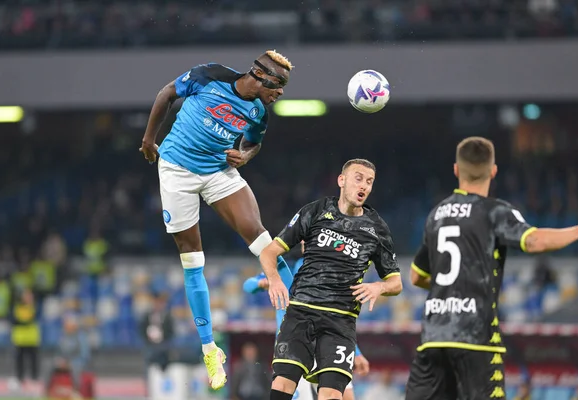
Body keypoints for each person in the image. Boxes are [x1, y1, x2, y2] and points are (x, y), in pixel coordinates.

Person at [139, 50, 295, 389]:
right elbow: (167, 93)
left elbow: (252, 144)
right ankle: (210, 349)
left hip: (217, 171)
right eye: (279, 86)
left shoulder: (259, 111)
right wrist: (149, 139)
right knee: (193, 259)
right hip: (177, 170)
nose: (280, 94)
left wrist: (244, 155)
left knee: (265, 243)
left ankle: (291, 342)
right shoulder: (210, 75)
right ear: (263, 77)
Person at [405, 136, 578, 400]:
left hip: (434, 337)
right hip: (475, 338)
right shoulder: (494, 211)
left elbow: (416, 276)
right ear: (493, 171)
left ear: (456, 170)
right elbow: (534, 240)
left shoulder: (436, 214)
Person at [259, 159, 403, 400]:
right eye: (358, 178)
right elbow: (269, 252)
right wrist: (274, 280)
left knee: (332, 395)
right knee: (283, 384)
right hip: (301, 313)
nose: (364, 186)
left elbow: (396, 282)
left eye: (369, 182)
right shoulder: (314, 211)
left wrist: (379, 286)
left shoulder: (377, 229)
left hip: (340, 321)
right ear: (341, 180)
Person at [243, 241, 371, 400]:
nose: (304, 242)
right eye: (303, 239)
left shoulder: (331, 272)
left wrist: (356, 352)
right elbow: (248, 285)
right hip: (295, 343)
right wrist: (262, 282)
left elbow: (337, 321)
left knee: (345, 395)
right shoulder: (286, 270)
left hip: (326, 342)